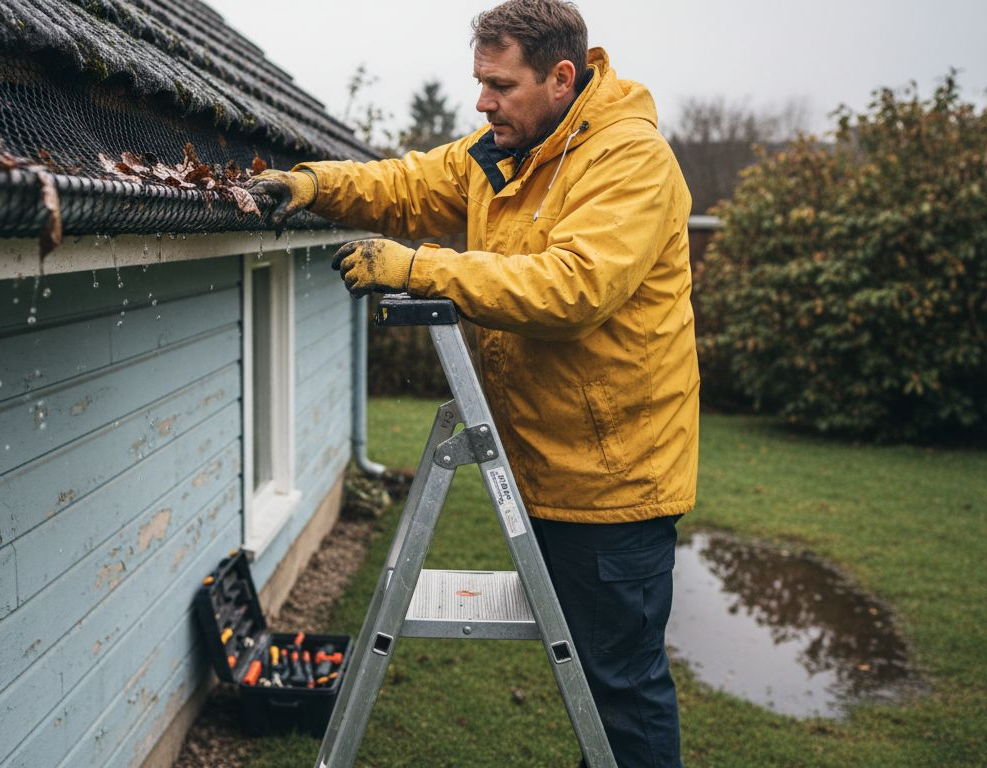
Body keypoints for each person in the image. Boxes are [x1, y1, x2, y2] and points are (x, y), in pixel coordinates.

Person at [249, 1, 697, 765]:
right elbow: (406, 184)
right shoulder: (510, 152)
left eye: (500, 84)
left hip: (612, 480)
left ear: (562, 78)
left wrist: (417, 266)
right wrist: (309, 185)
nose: (483, 102)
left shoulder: (629, 159)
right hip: (550, 466)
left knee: (621, 689)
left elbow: (573, 288)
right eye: (480, 83)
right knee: (595, 687)